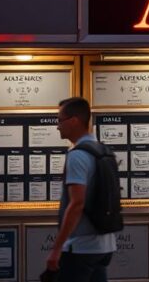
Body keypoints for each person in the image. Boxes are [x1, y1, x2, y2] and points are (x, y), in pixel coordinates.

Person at [46, 97, 118, 282]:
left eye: (60, 120)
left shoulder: (78, 155)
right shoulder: (103, 151)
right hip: (104, 245)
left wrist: (56, 249)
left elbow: (77, 203)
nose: (57, 126)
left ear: (74, 120)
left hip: (80, 248)